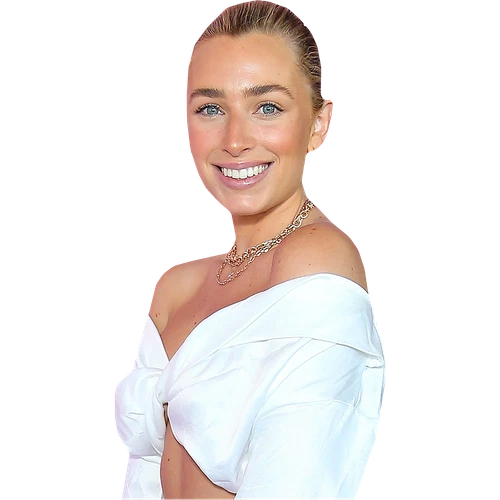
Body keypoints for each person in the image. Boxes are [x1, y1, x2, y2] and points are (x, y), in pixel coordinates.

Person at [112, 1, 385, 498]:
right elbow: (143, 473)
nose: (235, 140)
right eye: (211, 109)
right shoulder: (177, 287)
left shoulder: (314, 261)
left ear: (319, 124)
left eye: (268, 108)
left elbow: (297, 485)